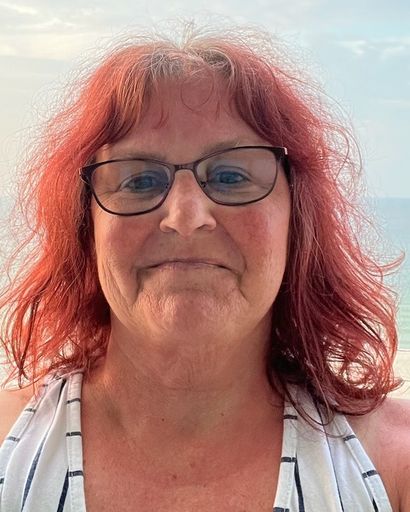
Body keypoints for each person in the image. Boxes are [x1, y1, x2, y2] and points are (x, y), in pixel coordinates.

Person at [0, 23, 409, 512]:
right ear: (85, 230)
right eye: (139, 180)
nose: (186, 217)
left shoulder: (394, 466)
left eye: (232, 175)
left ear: (298, 222)